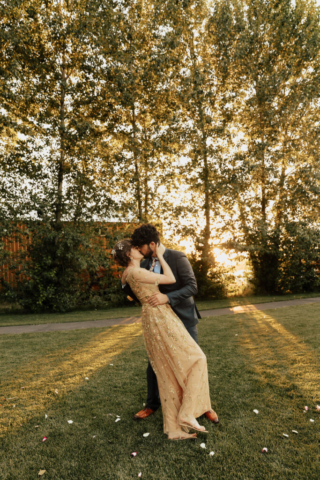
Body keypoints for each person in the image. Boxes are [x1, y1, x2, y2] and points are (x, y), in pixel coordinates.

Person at [121, 224, 218, 426]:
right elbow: (135, 287)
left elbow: (192, 286)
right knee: (154, 364)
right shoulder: (143, 262)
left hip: (183, 317)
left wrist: (167, 298)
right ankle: (152, 404)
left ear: (152, 244)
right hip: (159, 321)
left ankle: (204, 406)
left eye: (141, 247)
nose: (139, 250)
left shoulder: (177, 257)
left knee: (194, 360)